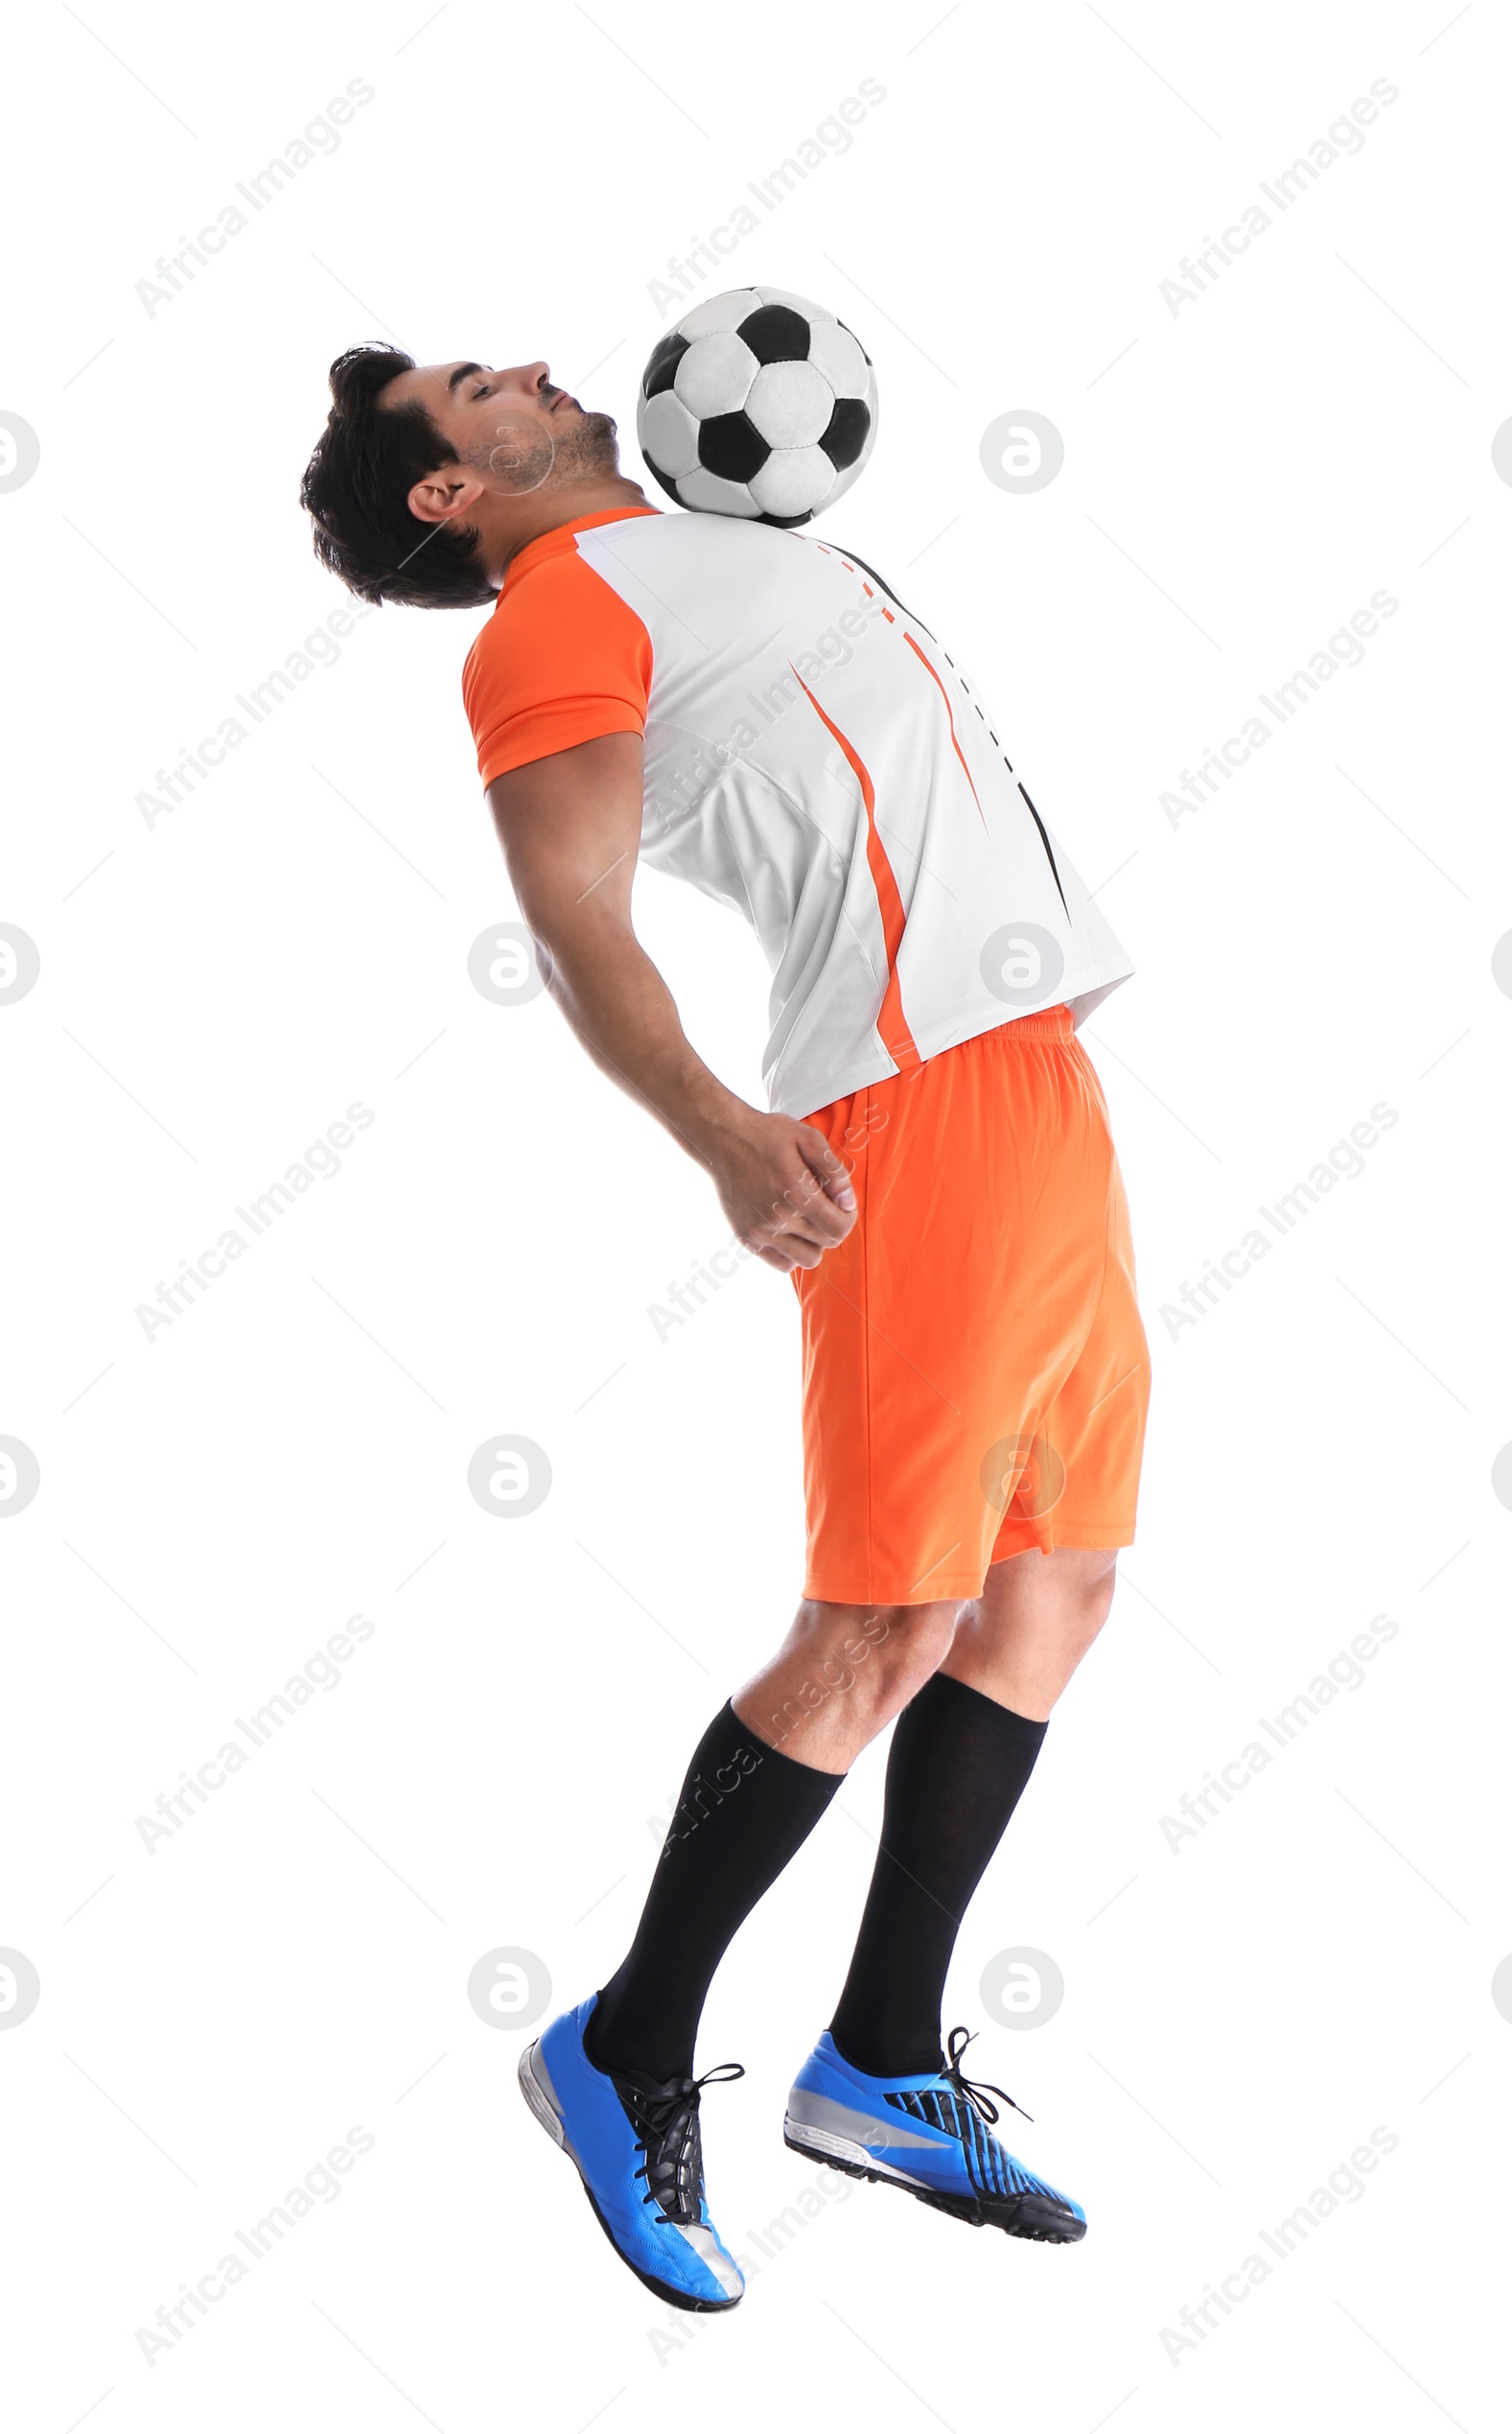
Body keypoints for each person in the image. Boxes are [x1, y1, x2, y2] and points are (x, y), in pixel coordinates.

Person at [301, 341, 1151, 2312]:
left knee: (1052, 1592)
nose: (522, 361)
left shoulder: (698, 530)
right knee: (879, 1620)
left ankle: (874, 2060)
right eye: (466, 384)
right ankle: (619, 2044)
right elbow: (576, 911)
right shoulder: (549, 622)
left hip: (1028, 1088)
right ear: (450, 490)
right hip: (905, 1101)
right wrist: (716, 1135)